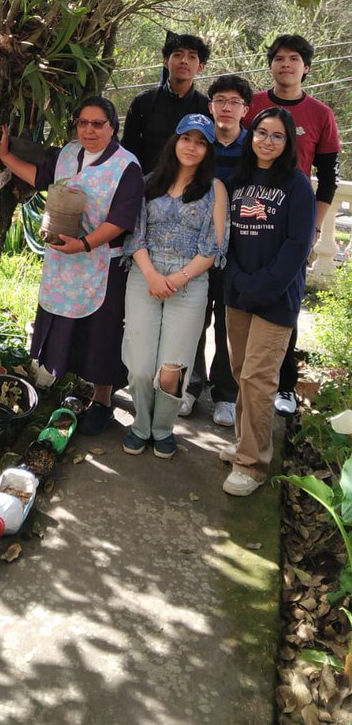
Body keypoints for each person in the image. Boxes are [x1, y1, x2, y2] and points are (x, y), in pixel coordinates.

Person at [0, 97, 144, 435]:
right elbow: (41, 177)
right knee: (64, 325)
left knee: (101, 334)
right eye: (83, 123)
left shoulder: (126, 166)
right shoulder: (67, 154)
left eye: (97, 124)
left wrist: (86, 244)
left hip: (101, 263)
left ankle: (103, 400)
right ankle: (71, 385)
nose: (89, 130)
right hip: (63, 261)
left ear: (112, 126)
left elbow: (121, 220)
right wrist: (6, 157)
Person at [121, 114, 228, 459]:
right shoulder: (149, 182)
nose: (192, 147)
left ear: (208, 149)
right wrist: (152, 275)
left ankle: (162, 429)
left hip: (190, 282)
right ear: (175, 141)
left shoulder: (215, 189)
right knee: (139, 366)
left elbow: (214, 247)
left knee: (172, 368)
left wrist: (178, 278)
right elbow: (135, 234)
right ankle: (141, 424)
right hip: (145, 275)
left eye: (201, 142)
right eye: (187, 138)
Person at [221, 107, 316, 496]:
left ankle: (253, 465)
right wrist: (238, 280)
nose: (267, 141)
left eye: (277, 136)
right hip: (238, 292)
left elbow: (297, 246)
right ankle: (245, 445)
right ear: (252, 134)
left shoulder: (297, 186)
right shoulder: (238, 179)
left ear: (288, 142)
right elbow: (224, 236)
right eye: (262, 132)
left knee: (259, 379)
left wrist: (260, 286)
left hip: (275, 299)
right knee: (241, 372)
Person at [244, 35, 340, 416]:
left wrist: (314, 228)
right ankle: (237, 380)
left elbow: (328, 178)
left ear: (306, 67)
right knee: (237, 298)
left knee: (285, 302)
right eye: (279, 58)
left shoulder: (321, 114)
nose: (286, 64)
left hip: (292, 223)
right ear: (270, 65)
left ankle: (284, 384)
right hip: (248, 214)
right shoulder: (253, 105)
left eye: (294, 58)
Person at [180, 74, 253, 426]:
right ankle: (191, 385)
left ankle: (226, 392)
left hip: (240, 249)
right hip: (196, 246)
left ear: (245, 109)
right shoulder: (198, 144)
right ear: (210, 107)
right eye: (220, 100)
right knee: (193, 316)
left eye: (234, 102)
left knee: (228, 320)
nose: (226, 107)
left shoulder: (256, 147)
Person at [121, 33, 211, 174]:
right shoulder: (143, 102)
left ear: (201, 67)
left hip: (189, 188)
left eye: (192, 56)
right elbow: (128, 149)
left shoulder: (206, 107)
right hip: (146, 185)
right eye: (177, 55)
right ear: (165, 61)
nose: (184, 61)